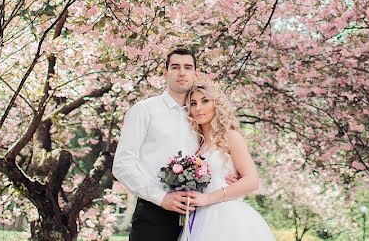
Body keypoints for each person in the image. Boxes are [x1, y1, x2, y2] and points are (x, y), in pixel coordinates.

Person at [113, 48, 200, 241]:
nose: (182, 72)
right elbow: (122, 165)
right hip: (153, 214)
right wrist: (160, 197)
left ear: (196, 74)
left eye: (188, 67)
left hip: (198, 215)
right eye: (175, 67)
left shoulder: (202, 115)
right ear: (165, 72)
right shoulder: (144, 111)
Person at [180, 81, 275, 241]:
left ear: (216, 104)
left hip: (225, 217)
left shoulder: (230, 136)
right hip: (198, 219)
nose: (198, 108)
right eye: (193, 103)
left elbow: (252, 181)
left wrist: (208, 198)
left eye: (205, 101)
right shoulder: (196, 144)